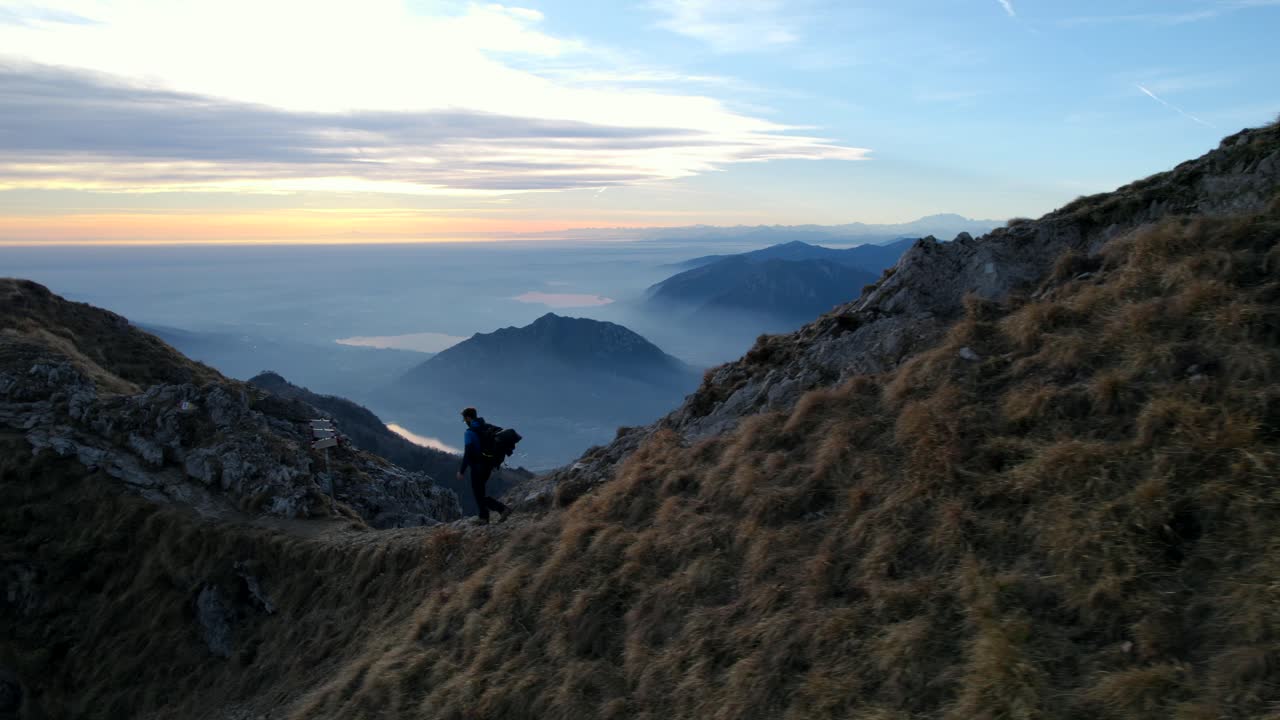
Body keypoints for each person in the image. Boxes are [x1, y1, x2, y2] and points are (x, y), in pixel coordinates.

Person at [456, 407, 510, 524]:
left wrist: (461, 471)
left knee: (478, 494)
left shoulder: (470, 432)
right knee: (480, 493)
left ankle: (500, 510)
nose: (464, 421)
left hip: (477, 466)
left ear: (468, 418)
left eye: (464, 419)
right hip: (488, 465)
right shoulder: (486, 426)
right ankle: (485, 517)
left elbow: (468, 453)